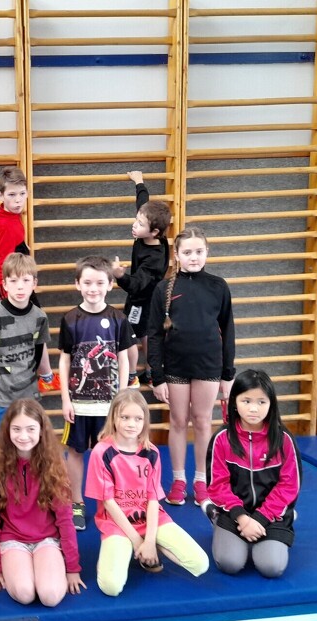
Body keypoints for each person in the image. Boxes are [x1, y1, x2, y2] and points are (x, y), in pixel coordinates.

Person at [86, 390, 209, 596]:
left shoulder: (151, 452)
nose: (131, 424)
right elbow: (108, 502)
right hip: (117, 523)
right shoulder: (102, 452)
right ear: (113, 417)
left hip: (151, 518)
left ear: (145, 421)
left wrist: (150, 542)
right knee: (111, 587)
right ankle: (121, 551)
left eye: (138, 418)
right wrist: (137, 542)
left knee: (200, 564)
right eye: (125, 417)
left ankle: (154, 547)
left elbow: (152, 499)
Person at [147, 226, 235, 507]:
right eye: (187, 252)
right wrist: (157, 376)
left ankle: (201, 479)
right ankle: (178, 479)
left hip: (208, 364)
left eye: (198, 251)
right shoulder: (164, 289)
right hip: (175, 366)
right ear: (177, 255)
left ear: (207, 252)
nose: (193, 257)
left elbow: (228, 330)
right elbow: (154, 335)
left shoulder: (218, 286)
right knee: (177, 421)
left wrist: (228, 374)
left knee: (202, 421)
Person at [0, 399, 85, 607]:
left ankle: (47, 566)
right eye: (16, 429)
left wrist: (72, 568)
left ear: (41, 430)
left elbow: (65, 519)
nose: (23, 436)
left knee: (51, 596)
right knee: (24, 593)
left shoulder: (54, 464)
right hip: (13, 539)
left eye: (30, 429)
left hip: (46, 539)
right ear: (8, 430)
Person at [58, 255, 135, 530]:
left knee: (110, 453)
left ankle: (109, 503)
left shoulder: (118, 319)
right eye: (88, 282)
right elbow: (64, 361)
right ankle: (76, 502)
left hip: (109, 405)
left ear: (111, 284)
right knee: (76, 452)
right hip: (79, 404)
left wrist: (122, 397)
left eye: (100, 283)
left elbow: (124, 359)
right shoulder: (70, 319)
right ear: (77, 284)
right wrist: (65, 399)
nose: (93, 288)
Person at [202, 369, 301, 578]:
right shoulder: (222, 438)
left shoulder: (283, 439)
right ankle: (215, 516)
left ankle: (280, 523)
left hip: (271, 515)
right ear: (234, 403)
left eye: (261, 402)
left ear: (271, 404)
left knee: (272, 567)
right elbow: (217, 486)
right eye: (246, 401)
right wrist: (243, 519)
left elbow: (289, 486)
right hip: (234, 513)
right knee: (230, 563)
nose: (253, 408)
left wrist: (260, 518)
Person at [0, 252, 50, 477]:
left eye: (26, 280)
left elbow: (38, 352)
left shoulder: (39, 317)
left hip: (27, 393)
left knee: (29, 446)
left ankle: (27, 490)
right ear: (5, 284)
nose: (20, 286)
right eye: (14, 280)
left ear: (34, 283)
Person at [0, 166, 57, 392]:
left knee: (35, 326)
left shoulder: (9, 216)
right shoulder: (6, 224)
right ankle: (45, 376)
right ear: (1, 196)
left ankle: (44, 375)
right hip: (14, 288)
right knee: (34, 328)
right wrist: (4, 292)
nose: (18, 200)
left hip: (19, 284)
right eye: (11, 195)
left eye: (22, 194)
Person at [111, 171, 171, 388]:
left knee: (130, 334)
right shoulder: (153, 235)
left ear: (154, 232)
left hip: (142, 301)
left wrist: (120, 276)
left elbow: (136, 285)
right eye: (136, 220)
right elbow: (143, 204)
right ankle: (152, 370)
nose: (134, 225)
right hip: (147, 299)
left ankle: (131, 375)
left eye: (140, 224)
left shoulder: (153, 259)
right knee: (145, 332)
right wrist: (139, 182)